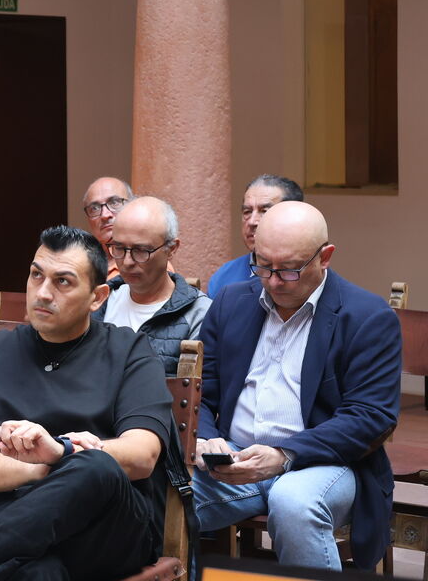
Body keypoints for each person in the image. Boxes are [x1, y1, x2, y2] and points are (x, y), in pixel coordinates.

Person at [0, 226, 171, 581]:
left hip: (105, 528)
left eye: (63, 281)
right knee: (40, 571)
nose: (43, 292)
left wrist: (62, 451)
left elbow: (142, 455)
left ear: (97, 297)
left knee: (97, 466)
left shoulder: (130, 352)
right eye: (36, 275)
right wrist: (51, 476)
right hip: (6, 515)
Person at [193, 201, 400, 570]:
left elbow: (371, 417)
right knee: (155, 489)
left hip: (325, 462)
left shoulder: (367, 316)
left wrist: (285, 454)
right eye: (262, 265)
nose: (273, 281)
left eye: (288, 270)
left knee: (293, 503)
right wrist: (205, 438)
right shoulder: (231, 301)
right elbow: (201, 391)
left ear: (325, 257)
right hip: (236, 456)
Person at [92, 196, 209, 376]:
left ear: (172, 249)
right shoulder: (99, 301)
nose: (127, 262)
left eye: (141, 251)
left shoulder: (198, 314)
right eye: (119, 248)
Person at [207, 174, 304, 295]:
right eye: (247, 212)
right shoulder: (224, 277)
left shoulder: (309, 273)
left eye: (264, 211)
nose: (252, 222)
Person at [81, 176, 133, 279]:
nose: (105, 215)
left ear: (132, 205)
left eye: (114, 202)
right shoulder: (80, 266)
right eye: (95, 208)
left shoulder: (149, 263)